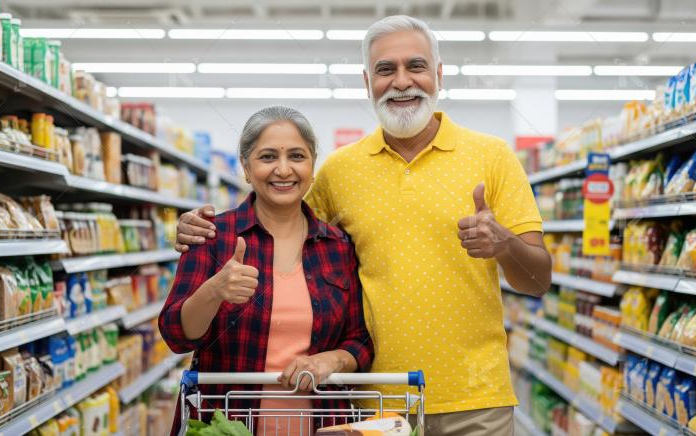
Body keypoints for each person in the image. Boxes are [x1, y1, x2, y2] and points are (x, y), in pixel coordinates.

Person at [175, 16, 551, 436]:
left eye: (416, 66)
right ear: (367, 81)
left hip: (476, 401)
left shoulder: (493, 157)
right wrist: (202, 231)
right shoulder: (339, 171)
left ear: (439, 74)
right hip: (373, 401)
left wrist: (504, 244)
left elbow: (537, 281)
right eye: (385, 69)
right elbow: (278, 219)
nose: (401, 81)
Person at [159, 106, 373, 436]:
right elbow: (176, 335)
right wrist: (214, 291)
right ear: (246, 168)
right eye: (268, 156)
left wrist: (329, 361)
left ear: (312, 165)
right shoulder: (213, 236)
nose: (283, 170)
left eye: (297, 156)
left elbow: (359, 339)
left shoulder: (337, 246)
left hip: (321, 425)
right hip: (227, 424)